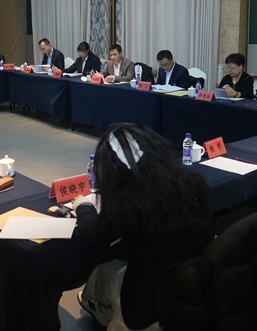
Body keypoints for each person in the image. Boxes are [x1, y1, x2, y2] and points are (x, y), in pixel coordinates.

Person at [73, 123, 213, 329]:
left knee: (105, 269)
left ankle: (103, 308)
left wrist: (83, 206)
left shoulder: (128, 200)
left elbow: (94, 236)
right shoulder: (193, 180)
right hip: (198, 283)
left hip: (151, 299)